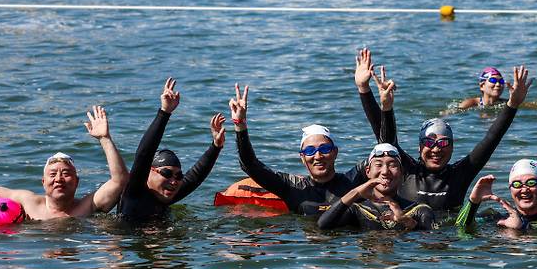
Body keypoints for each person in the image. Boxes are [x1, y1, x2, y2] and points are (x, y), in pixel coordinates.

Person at [354, 48, 531, 219]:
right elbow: (386, 141)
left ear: (452, 147)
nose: (436, 149)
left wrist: (512, 105)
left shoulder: (460, 174)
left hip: (448, 241)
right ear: (420, 146)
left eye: (444, 143)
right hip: (410, 241)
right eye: (429, 143)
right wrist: (369, 93)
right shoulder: (407, 171)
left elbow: (492, 138)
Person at [230, 83, 366, 216]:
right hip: (305, 237)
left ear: (335, 152)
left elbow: (385, 151)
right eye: (309, 151)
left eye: (324, 149)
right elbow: (249, 165)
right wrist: (240, 124)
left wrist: (365, 90)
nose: (318, 156)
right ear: (302, 157)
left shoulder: (352, 182)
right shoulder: (293, 188)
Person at [0, 106, 127, 220]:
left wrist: (105, 139)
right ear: (43, 182)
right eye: (53, 174)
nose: (58, 179)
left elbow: (119, 180)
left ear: (76, 182)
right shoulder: (29, 203)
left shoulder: (87, 206)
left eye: (66, 173)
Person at [117, 78, 225, 222]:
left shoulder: (165, 197)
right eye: (166, 173)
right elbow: (144, 153)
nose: (174, 181)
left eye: (178, 176)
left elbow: (195, 176)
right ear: (149, 172)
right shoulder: (135, 193)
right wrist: (164, 112)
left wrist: (216, 146)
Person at [318, 143, 433, 231]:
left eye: (392, 165)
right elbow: (322, 226)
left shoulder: (420, 210)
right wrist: (357, 192)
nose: (385, 171)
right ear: (367, 171)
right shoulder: (357, 210)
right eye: (378, 165)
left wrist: (407, 221)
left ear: (402, 172)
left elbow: (432, 244)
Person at [456, 159, 537, 231]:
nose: (524, 190)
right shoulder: (497, 218)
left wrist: (521, 226)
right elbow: (460, 228)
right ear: (510, 189)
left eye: (531, 183)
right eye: (517, 184)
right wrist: (473, 202)